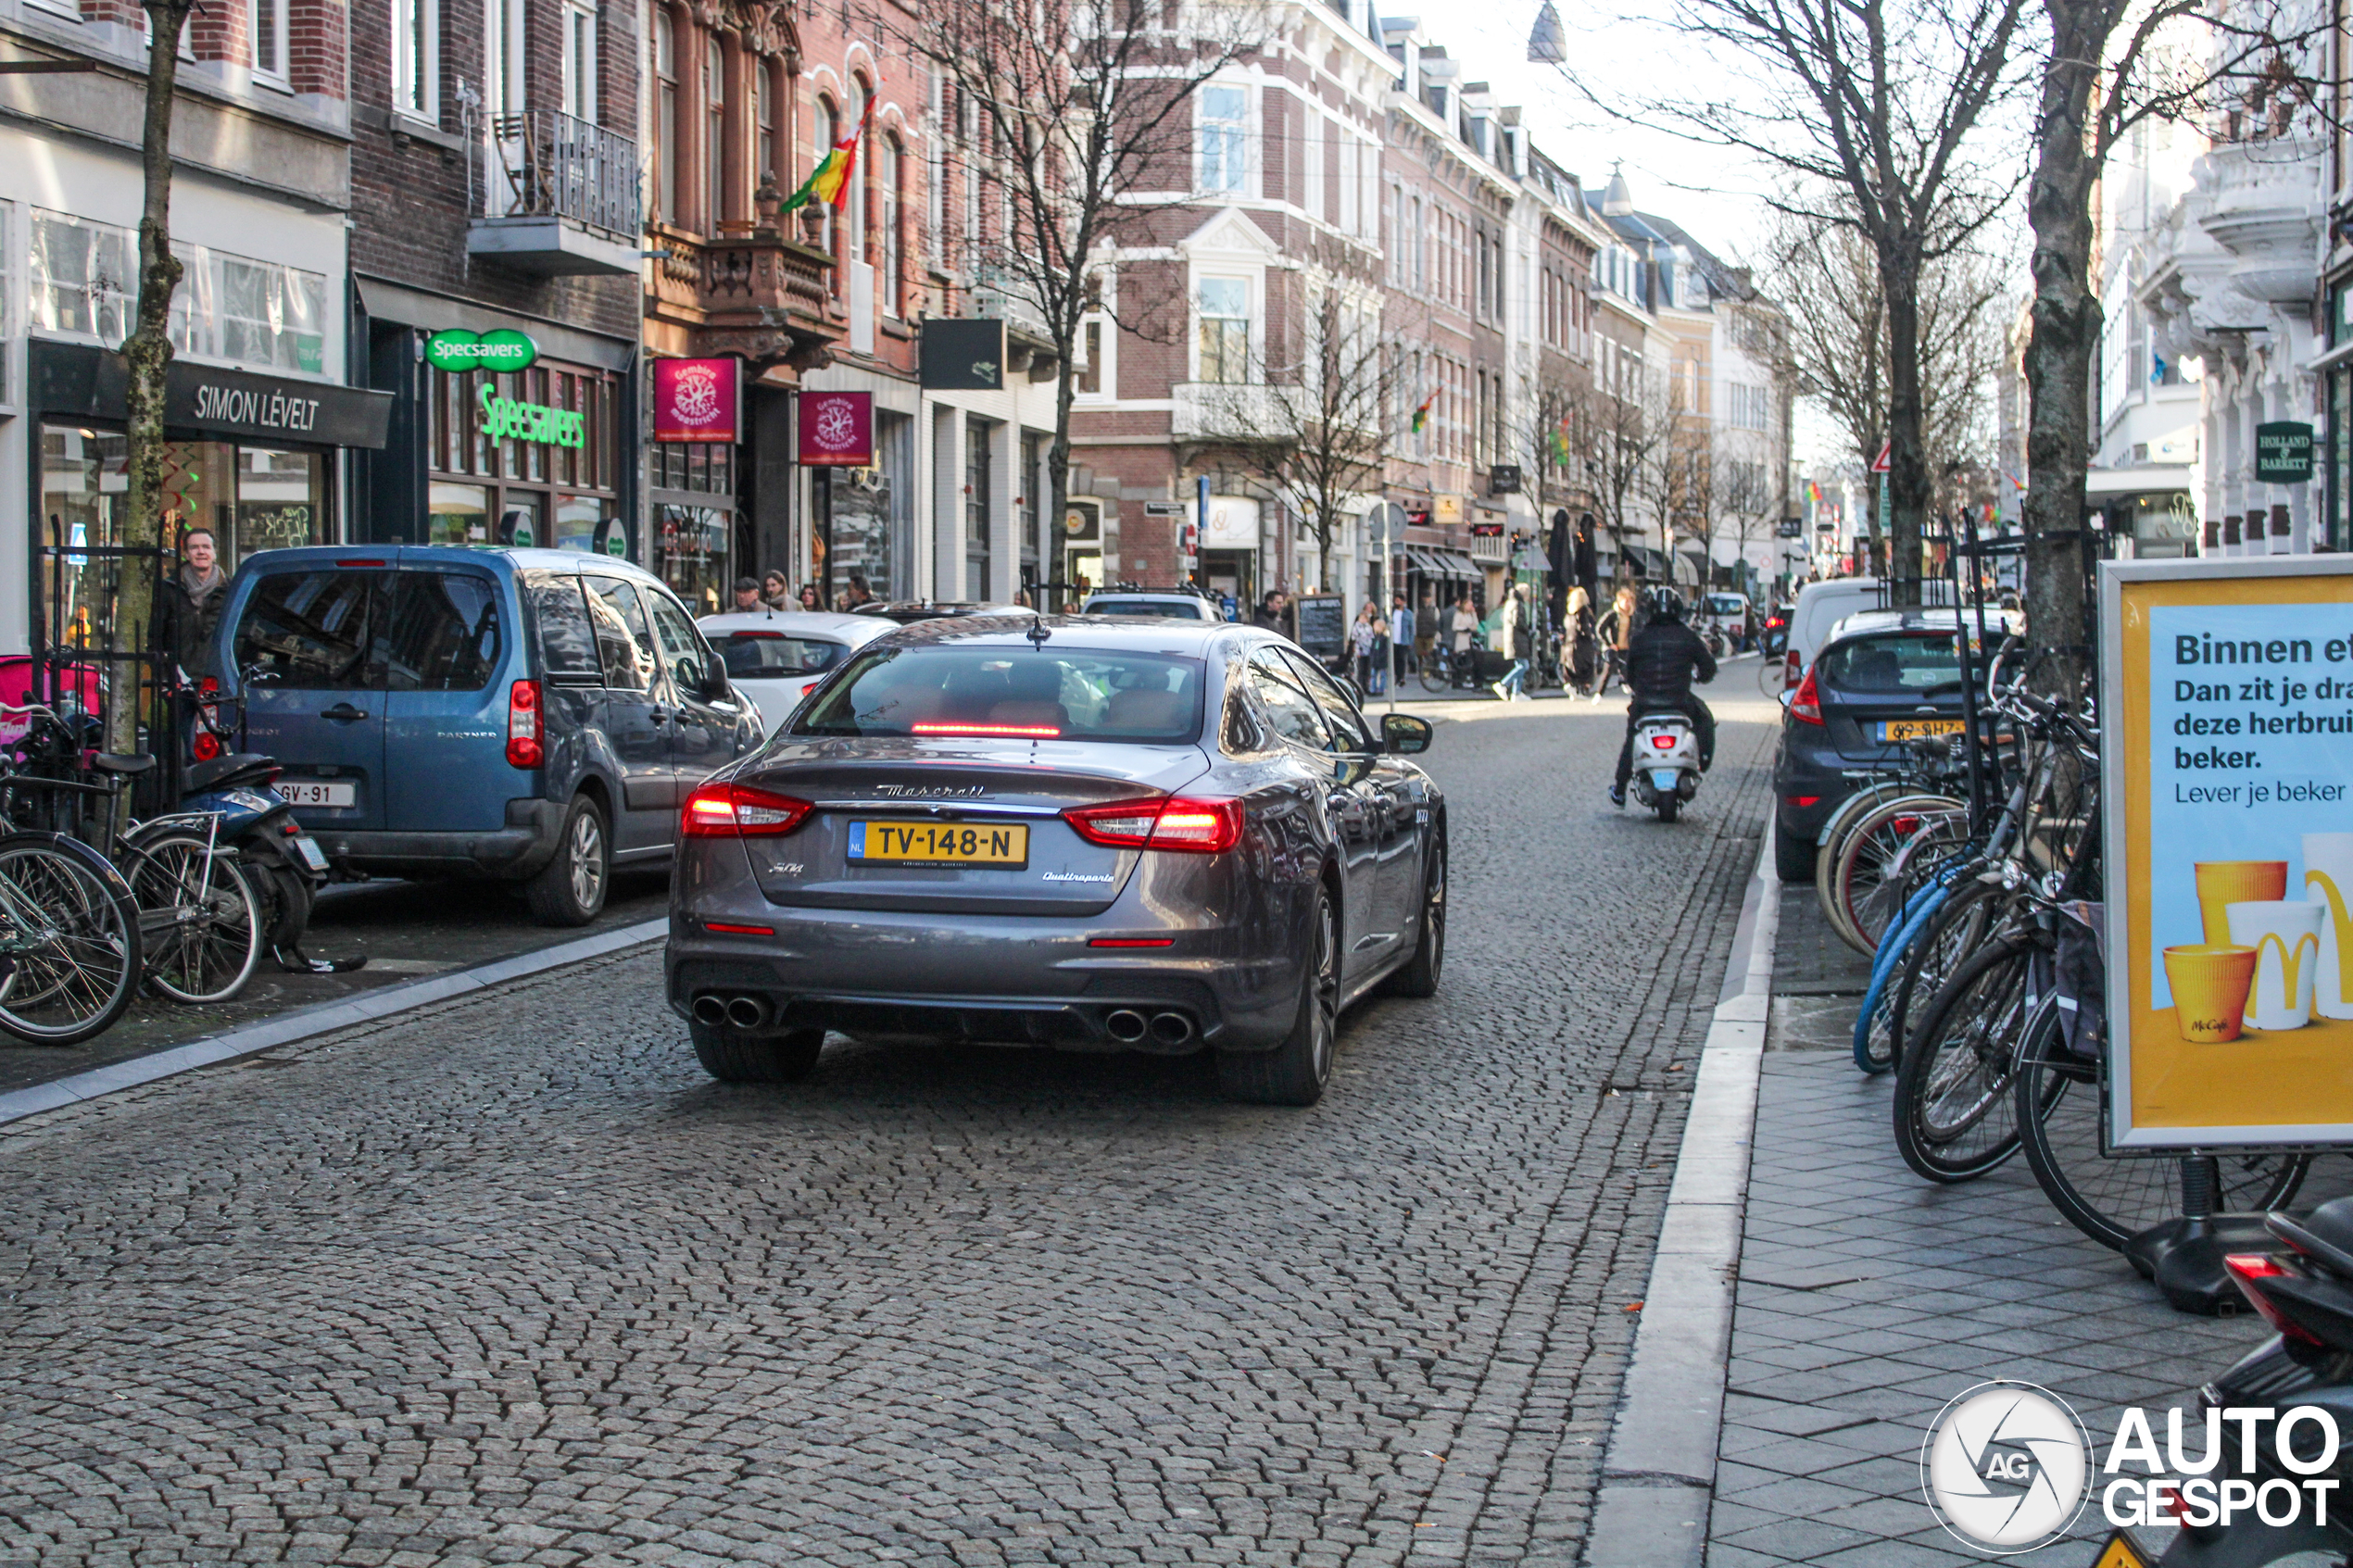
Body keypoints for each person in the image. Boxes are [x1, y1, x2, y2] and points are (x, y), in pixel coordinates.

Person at [1611, 585, 1718, 808]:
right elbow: (1708, 667)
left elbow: (1629, 673)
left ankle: (1620, 790)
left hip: (1645, 703)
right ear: (1678, 610)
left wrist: (1637, 685)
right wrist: (1701, 677)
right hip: (1680, 701)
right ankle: (1701, 763)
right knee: (1705, 720)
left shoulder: (1640, 639)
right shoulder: (1688, 637)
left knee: (1631, 739)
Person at [165, 524, 228, 673]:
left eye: (206, 547)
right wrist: (167, 678)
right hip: (179, 682)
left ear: (214, 553)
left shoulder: (230, 590)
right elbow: (156, 640)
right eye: (194, 547)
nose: (201, 552)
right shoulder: (169, 589)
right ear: (186, 554)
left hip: (218, 679)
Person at [1491, 583, 1532, 701]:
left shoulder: (1510, 603)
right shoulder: (1518, 604)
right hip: (1518, 639)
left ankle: (1516, 693)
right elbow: (1518, 621)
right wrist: (1527, 630)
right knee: (1524, 666)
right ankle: (1503, 684)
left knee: (1520, 665)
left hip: (1512, 638)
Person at [1447, 592, 1479, 686]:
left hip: (1468, 640)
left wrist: (1474, 614)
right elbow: (1454, 626)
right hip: (1461, 640)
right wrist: (1464, 629)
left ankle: (1465, 680)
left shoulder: (1469, 615)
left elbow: (1475, 625)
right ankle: (1459, 681)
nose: (1471, 607)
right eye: (1470, 605)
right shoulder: (1459, 614)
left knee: (1468, 660)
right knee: (1461, 660)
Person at [1350, 602, 1379, 692]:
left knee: (1367, 670)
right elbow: (1354, 638)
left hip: (1368, 651)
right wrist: (1356, 649)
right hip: (1360, 651)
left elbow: (1372, 637)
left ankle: (1366, 687)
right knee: (1360, 669)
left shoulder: (1369, 627)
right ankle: (1359, 687)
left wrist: (1372, 648)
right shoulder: (1357, 627)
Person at [1390, 593, 1415, 684]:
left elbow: (1411, 629)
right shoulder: (1392, 612)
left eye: (1399, 601)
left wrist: (1410, 642)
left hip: (1404, 640)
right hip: (1393, 640)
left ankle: (1401, 677)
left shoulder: (1408, 614)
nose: (1397, 603)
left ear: (1403, 602)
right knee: (1395, 660)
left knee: (1402, 660)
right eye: (1396, 601)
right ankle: (1397, 676)